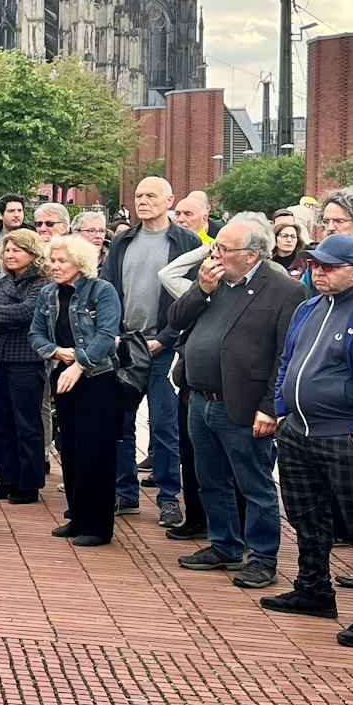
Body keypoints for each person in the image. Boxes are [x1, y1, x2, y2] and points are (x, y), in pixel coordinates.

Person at [263, 232, 353, 646]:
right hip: (300, 433)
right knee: (305, 516)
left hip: (344, 436)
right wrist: (282, 406)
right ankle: (313, 588)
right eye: (314, 265)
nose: (317, 272)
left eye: (328, 266)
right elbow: (287, 360)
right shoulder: (307, 308)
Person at [164, 213, 296, 589]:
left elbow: (284, 356)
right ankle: (224, 545)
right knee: (210, 480)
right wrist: (200, 290)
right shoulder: (215, 279)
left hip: (242, 403)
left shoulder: (284, 290)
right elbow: (176, 319)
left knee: (254, 484)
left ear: (253, 254)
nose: (215, 253)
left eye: (223, 248)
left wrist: (271, 407)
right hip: (199, 397)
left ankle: (263, 557)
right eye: (215, 246)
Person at [101, 175, 197, 528]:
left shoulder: (186, 241)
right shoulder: (123, 240)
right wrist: (110, 333)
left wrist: (168, 337)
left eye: (151, 195)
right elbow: (107, 290)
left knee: (164, 426)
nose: (143, 201)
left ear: (169, 200)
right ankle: (124, 493)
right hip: (124, 347)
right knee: (120, 424)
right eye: (138, 195)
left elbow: (195, 297)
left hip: (163, 349)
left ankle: (169, 498)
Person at [30, 235, 123, 547]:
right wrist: (57, 352)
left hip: (97, 378)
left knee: (95, 451)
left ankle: (98, 526)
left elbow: (107, 334)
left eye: (61, 261)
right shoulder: (48, 293)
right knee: (69, 448)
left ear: (80, 263)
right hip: (62, 374)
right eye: (52, 261)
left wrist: (79, 363)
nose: (54, 266)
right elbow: (36, 333)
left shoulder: (101, 290)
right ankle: (78, 517)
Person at [0, 229, 49, 503]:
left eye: (17, 250)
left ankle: (29, 484)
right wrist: (4, 317)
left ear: (32, 253)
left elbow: (28, 312)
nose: (10, 255)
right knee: (0, 422)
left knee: (26, 423)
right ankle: (7, 479)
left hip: (26, 362)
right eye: (7, 250)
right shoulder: (1, 283)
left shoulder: (42, 283)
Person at [270, 213, 308, 281]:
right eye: (284, 236)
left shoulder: (305, 264)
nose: (289, 240)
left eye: (293, 237)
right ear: (275, 239)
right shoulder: (268, 264)